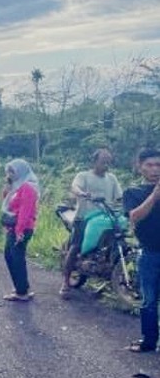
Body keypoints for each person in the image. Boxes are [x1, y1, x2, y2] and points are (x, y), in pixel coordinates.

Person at [60, 149, 123, 298]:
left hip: (105, 217)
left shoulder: (112, 178)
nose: (106, 165)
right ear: (94, 162)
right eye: (103, 162)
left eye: (108, 162)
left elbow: (119, 196)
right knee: (75, 247)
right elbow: (75, 187)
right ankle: (65, 282)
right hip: (84, 217)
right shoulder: (84, 176)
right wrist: (82, 193)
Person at [123, 147, 160, 353]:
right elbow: (135, 216)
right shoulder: (133, 192)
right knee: (150, 300)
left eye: (158, 165)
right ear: (140, 167)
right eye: (150, 165)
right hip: (150, 254)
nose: (155, 169)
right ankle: (149, 341)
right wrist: (154, 196)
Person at [1, 158, 39, 302]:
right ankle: (22, 287)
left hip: (21, 228)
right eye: (9, 171)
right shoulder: (17, 187)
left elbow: (25, 211)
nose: (10, 174)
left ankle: (21, 292)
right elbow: (7, 204)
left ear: (21, 171)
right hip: (14, 227)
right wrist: (7, 187)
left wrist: (19, 231)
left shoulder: (28, 187)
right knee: (12, 256)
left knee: (15, 257)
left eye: (13, 171)